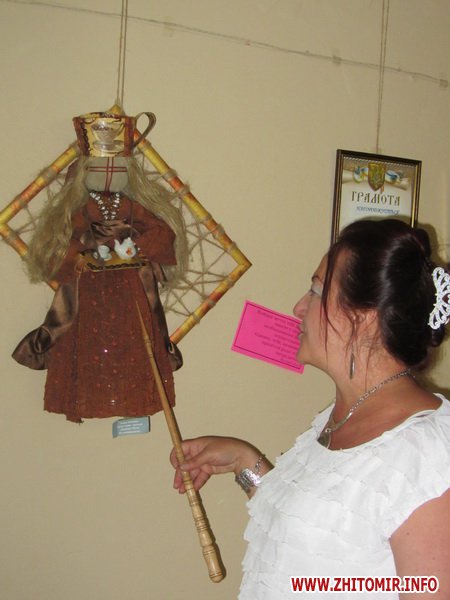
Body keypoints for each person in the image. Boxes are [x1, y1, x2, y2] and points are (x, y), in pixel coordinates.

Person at [170, 219, 450, 598]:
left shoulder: (428, 454)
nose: (299, 307)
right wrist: (243, 461)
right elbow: (311, 535)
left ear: (364, 318)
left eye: (316, 290)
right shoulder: (339, 416)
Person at [13, 148, 188, 422]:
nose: (108, 175)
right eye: (100, 169)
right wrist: (82, 255)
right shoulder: (85, 208)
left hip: (130, 281)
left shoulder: (130, 206)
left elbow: (162, 231)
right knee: (87, 332)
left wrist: (137, 248)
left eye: (116, 168)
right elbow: (61, 238)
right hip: (91, 284)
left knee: (137, 332)